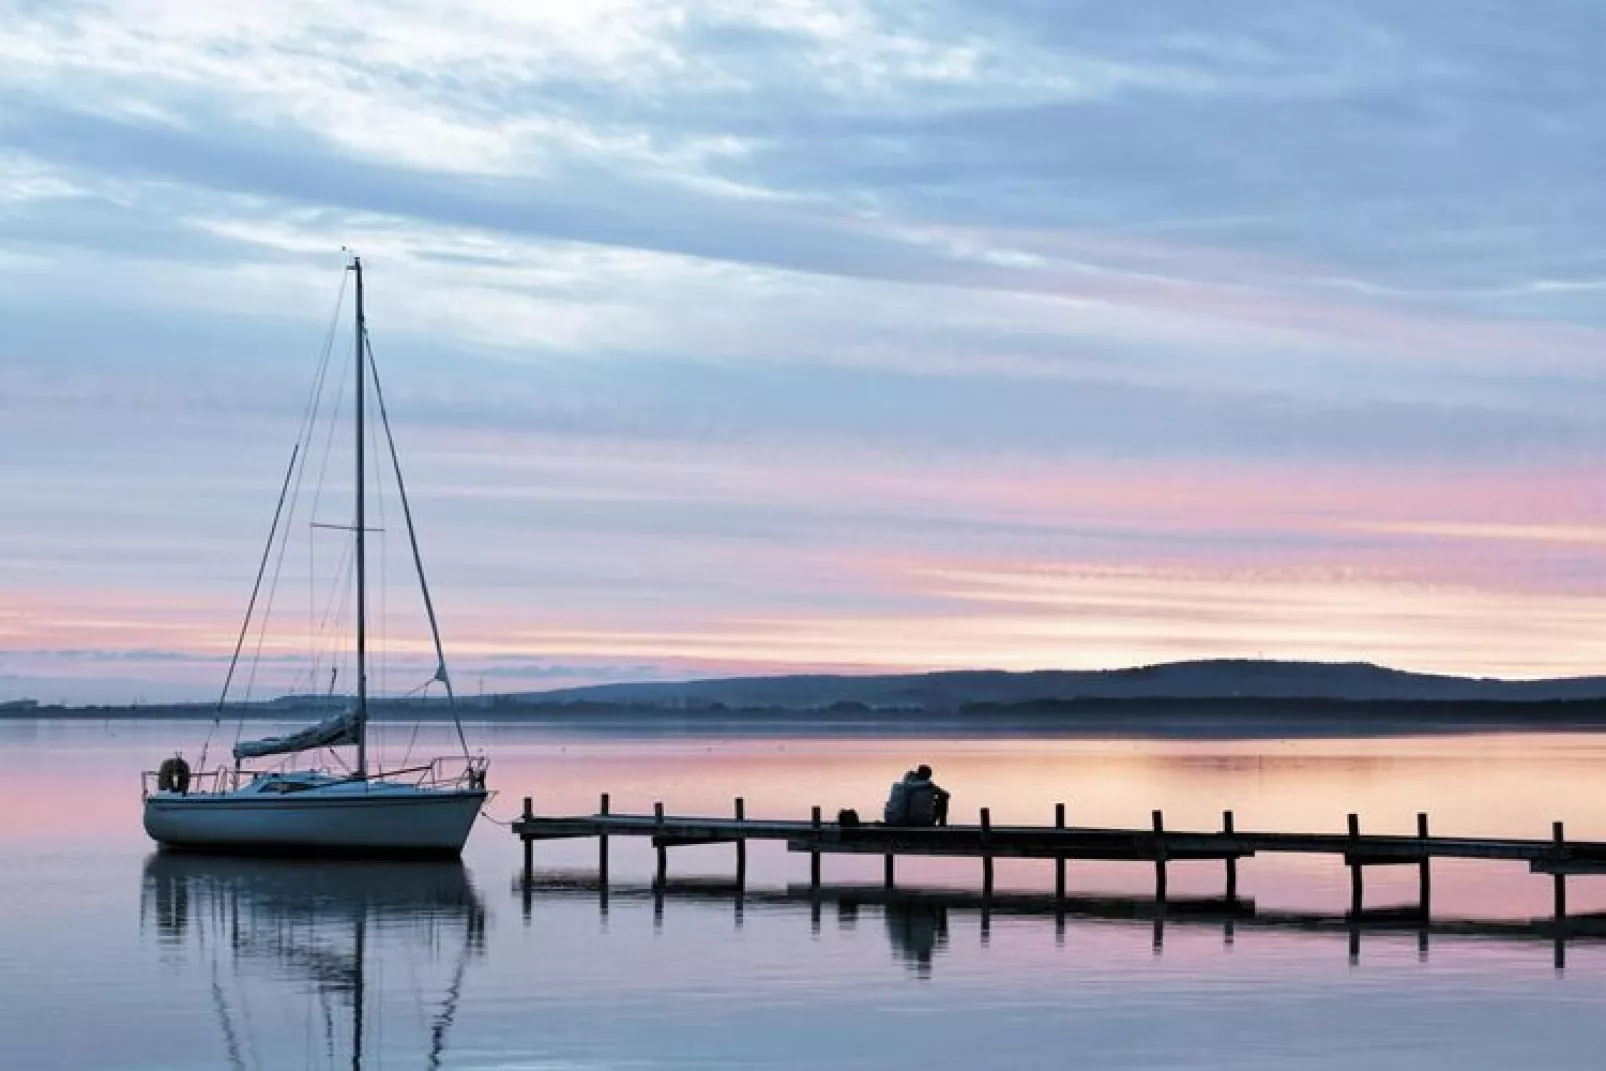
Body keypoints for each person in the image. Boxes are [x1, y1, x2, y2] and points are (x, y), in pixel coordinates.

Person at [883, 764, 950, 827]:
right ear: (928, 776)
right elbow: (946, 795)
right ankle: (942, 825)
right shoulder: (929, 785)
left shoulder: (902, 786)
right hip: (925, 821)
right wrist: (933, 799)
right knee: (942, 800)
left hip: (907, 820)